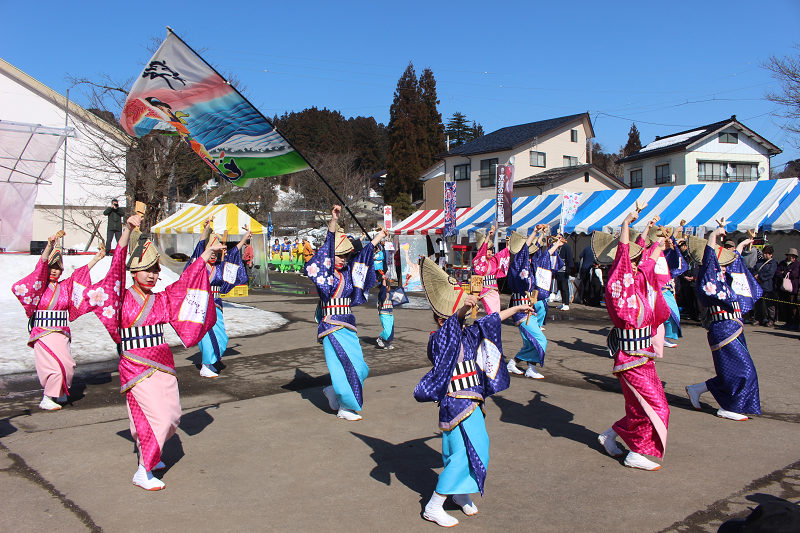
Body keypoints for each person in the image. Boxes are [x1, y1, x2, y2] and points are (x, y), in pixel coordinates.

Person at [83, 214, 221, 490]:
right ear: (133, 272)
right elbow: (113, 273)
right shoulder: (120, 297)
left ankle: (151, 452)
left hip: (163, 364)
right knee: (155, 418)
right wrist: (127, 231)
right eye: (146, 269)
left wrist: (205, 254)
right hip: (135, 364)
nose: (152, 274)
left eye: (155, 269)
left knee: (172, 417)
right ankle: (143, 470)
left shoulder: (163, 297)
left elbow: (186, 282)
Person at [415, 257, 531, 527]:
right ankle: (433, 505)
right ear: (445, 315)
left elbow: (491, 321)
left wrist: (516, 308)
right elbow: (451, 331)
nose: (470, 311)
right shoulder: (439, 337)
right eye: (462, 309)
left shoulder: (469, 331)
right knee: (472, 450)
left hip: (471, 400)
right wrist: (458, 313)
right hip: (456, 402)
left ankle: (460, 494)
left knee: (461, 451)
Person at [595, 210, 671, 471]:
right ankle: (636, 453)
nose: (637, 265)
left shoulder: (639, 280)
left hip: (645, 356)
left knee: (643, 407)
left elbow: (649, 259)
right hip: (629, 358)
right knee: (655, 407)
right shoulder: (619, 284)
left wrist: (654, 237)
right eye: (632, 262)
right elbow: (625, 257)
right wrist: (626, 224)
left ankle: (611, 435)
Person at [305, 206, 386, 421]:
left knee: (360, 366)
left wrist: (378, 237)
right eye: (338, 256)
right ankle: (345, 407)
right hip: (331, 325)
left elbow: (364, 257)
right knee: (344, 367)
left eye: (344, 256)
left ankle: (332, 391)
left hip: (348, 324)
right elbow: (327, 249)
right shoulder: (328, 274)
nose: (342, 259)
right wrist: (333, 221)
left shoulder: (348, 273)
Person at [12, 233, 105, 410]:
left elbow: (81, 274)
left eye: (57, 268)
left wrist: (97, 259)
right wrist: (49, 246)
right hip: (43, 331)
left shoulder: (65, 286)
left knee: (67, 365)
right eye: (51, 267)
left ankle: (61, 392)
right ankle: (47, 397)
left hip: (61, 331)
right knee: (51, 366)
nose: (54, 270)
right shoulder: (39, 286)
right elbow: (39, 267)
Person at [686, 231, 763, 421]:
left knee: (730, 370)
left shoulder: (725, 278)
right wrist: (713, 236)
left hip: (733, 328)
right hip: (723, 329)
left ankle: (696, 389)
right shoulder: (708, 277)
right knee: (744, 370)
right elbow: (710, 259)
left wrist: (742, 245)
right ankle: (729, 407)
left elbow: (735, 262)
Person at [185, 219, 251, 378]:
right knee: (207, 336)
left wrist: (245, 237)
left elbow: (234, 252)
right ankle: (206, 365)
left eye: (216, 253)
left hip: (217, 305)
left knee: (221, 336)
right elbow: (198, 251)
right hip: (203, 305)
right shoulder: (199, 266)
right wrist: (205, 230)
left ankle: (210, 363)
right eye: (211, 252)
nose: (213, 256)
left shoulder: (220, 266)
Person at [506, 228, 562, 379]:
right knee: (540, 339)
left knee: (530, 343)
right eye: (529, 254)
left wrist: (555, 244)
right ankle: (529, 368)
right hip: (520, 310)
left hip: (530, 309)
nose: (531, 256)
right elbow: (524, 251)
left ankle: (515, 363)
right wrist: (534, 233)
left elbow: (544, 256)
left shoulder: (531, 265)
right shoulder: (517, 265)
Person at [471, 226, 511, 315]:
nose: (489, 252)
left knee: (496, 312)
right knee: (492, 313)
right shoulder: (479, 260)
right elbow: (481, 252)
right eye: (487, 250)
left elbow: (502, 254)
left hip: (495, 290)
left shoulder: (493, 260)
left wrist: (509, 245)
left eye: (490, 250)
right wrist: (488, 237)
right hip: (485, 290)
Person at [775, 248, 799, 330]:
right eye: (790, 255)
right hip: (782, 288)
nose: (791, 257)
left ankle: (795, 322)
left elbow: (794, 274)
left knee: (793, 307)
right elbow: (777, 273)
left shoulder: (797, 264)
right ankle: (787, 321)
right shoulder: (782, 263)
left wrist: (784, 272)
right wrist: (787, 273)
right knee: (784, 306)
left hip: (793, 289)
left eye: (793, 256)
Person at [753, 245, 777, 327]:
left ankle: (771, 320)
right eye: (764, 253)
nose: (765, 255)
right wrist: (755, 275)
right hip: (758, 285)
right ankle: (758, 318)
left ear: (771, 254)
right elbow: (753, 269)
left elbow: (770, 273)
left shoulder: (773, 263)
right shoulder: (759, 262)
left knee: (769, 304)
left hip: (768, 285)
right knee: (759, 303)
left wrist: (761, 277)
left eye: (767, 253)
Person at [554, 237, 574, 311]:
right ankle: (563, 303)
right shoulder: (557, 247)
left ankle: (566, 304)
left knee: (564, 287)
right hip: (558, 269)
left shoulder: (566, 247)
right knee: (560, 287)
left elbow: (569, 258)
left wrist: (569, 268)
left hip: (564, 269)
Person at [376, 276, 395, 350]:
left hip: (390, 314)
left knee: (391, 330)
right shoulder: (381, 294)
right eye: (386, 286)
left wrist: (405, 284)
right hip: (384, 314)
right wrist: (384, 280)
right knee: (387, 330)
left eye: (388, 286)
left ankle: (387, 343)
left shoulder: (390, 294)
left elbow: (399, 291)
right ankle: (380, 338)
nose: (387, 287)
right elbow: (383, 289)